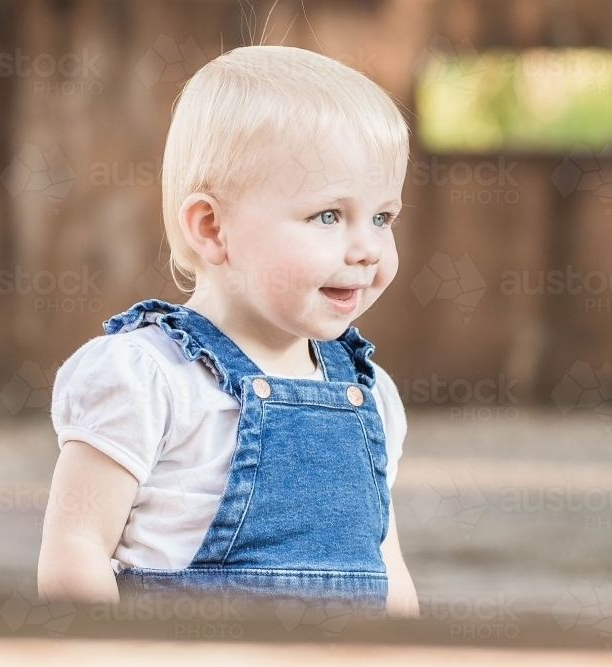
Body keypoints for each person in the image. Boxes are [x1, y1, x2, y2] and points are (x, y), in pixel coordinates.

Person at [37, 45, 418, 616]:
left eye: (382, 217)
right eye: (329, 216)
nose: (367, 249)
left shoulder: (368, 396)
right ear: (213, 227)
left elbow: (386, 566)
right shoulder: (149, 378)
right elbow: (75, 553)